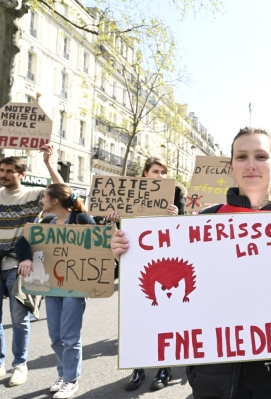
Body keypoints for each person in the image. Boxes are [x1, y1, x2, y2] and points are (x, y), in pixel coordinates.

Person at [110, 127, 271, 399]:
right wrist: (131, 256)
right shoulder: (202, 222)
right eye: (242, 157)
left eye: (261, 156)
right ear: (231, 167)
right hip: (218, 379)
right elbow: (169, 290)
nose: (251, 165)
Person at [107, 156, 185, 392]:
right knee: (135, 320)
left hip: (163, 267)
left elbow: (183, 233)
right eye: (154, 171)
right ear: (144, 174)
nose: (159, 176)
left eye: (163, 172)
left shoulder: (175, 196)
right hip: (134, 266)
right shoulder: (128, 195)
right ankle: (137, 367)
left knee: (165, 318)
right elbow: (118, 237)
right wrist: (115, 222)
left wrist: (176, 217)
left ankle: (164, 368)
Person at [15, 184, 95, 398]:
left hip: (75, 288)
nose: (41, 200)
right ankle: (63, 375)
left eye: (44, 196)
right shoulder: (48, 221)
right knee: (55, 336)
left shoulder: (82, 219)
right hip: (51, 286)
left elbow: (98, 247)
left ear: (55, 200)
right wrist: (25, 258)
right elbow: (24, 241)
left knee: (70, 336)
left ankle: (71, 379)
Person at [0, 145, 63, 386]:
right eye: (1, 170)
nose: (4, 174)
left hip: (21, 265)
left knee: (19, 319)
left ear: (21, 174)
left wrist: (49, 163)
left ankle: (20, 364)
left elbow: (63, 192)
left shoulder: (35, 194)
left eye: (9, 171)